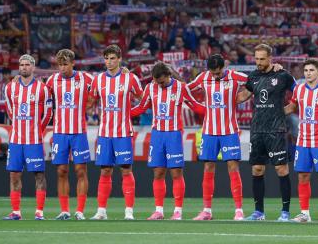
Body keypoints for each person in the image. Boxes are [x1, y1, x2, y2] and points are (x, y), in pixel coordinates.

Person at [131, 62, 204, 220]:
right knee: (158, 172)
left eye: (162, 82)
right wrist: (124, 113)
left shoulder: (181, 88)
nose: (159, 85)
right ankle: (159, 211)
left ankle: (178, 211)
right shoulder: (151, 87)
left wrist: (214, 110)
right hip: (157, 134)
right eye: (157, 82)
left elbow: (195, 106)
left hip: (174, 134)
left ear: (168, 75)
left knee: (176, 172)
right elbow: (142, 107)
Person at [237, 43, 296, 221]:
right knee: (257, 169)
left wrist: (287, 109)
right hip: (257, 130)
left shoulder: (282, 75)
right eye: (257, 59)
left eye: (262, 59)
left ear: (271, 58)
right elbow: (241, 97)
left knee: (281, 168)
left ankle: (285, 212)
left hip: (276, 130)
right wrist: (225, 89)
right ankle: (258, 212)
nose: (259, 62)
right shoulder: (253, 76)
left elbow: (300, 94)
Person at [188, 54, 248, 221]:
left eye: (218, 72)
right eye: (212, 73)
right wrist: (197, 106)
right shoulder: (203, 77)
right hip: (209, 131)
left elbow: (255, 82)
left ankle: (238, 210)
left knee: (233, 167)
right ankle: (207, 210)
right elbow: (186, 90)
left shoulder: (235, 76)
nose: (215, 75)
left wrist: (243, 96)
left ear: (224, 67)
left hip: (229, 131)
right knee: (208, 167)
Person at [88, 45, 144, 221]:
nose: (109, 62)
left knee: (126, 170)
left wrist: (130, 113)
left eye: (112, 58)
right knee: (105, 171)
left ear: (119, 59)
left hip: (123, 132)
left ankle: (129, 211)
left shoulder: (130, 78)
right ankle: (101, 211)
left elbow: (143, 100)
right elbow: (90, 102)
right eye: (106, 58)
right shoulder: (97, 80)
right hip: (104, 133)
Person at [283, 58, 318, 223]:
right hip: (302, 141)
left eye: (311, 70)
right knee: (303, 176)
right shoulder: (299, 90)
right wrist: (276, 112)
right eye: (306, 70)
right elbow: (292, 107)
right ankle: (305, 213)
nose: (308, 73)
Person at [2, 54, 53, 220]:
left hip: (34, 140)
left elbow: (48, 113)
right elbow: (10, 109)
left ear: (33, 67)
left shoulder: (42, 89)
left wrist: (38, 130)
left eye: (27, 65)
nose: (23, 67)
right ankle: (16, 212)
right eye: (21, 65)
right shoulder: (10, 87)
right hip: (16, 140)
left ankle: (39, 212)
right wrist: (17, 124)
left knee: (39, 175)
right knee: (14, 175)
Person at [46, 49, 94, 220]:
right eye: (60, 64)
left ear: (73, 63)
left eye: (65, 64)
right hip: (59, 133)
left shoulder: (85, 78)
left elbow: (102, 87)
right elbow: (41, 94)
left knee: (81, 171)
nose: (62, 68)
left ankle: (80, 210)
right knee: (61, 171)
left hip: (79, 132)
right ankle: (64, 210)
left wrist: (90, 103)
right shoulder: (52, 80)